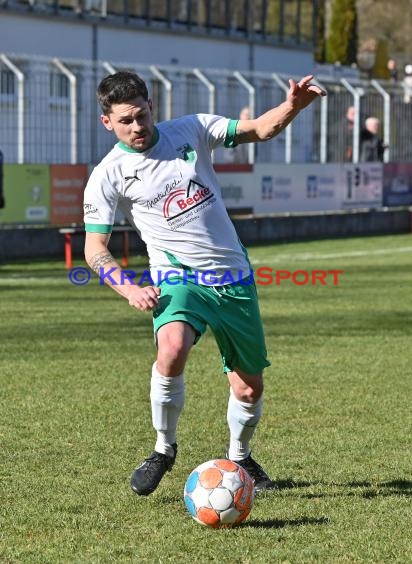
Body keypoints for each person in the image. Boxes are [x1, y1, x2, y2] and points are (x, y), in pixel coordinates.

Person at [83, 71, 326, 496]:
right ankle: (163, 448)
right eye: (125, 121)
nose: (136, 127)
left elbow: (258, 129)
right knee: (172, 348)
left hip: (233, 278)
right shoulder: (108, 174)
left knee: (248, 387)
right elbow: (94, 249)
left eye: (141, 115)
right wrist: (130, 288)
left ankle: (239, 455)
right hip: (177, 278)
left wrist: (294, 106)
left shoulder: (191, 130)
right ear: (107, 123)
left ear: (151, 105)